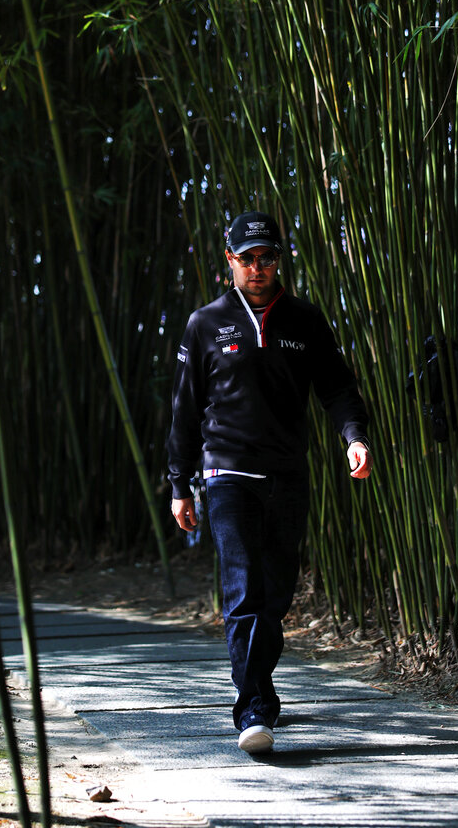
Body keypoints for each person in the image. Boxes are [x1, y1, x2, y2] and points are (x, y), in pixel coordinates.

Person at [167, 211, 372, 754]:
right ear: (228, 261)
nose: (258, 267)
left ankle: (260, 697)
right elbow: (185, 412)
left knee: (275, 596)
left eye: (268, 257)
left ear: (279, 261)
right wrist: (179, 484)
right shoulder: (205, 323)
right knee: (243, 591)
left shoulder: (304, 320)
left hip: (288, 474)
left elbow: (338, 388)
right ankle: (254, 710)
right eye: (248, 258)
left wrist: (354, 436)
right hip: (227, 474)